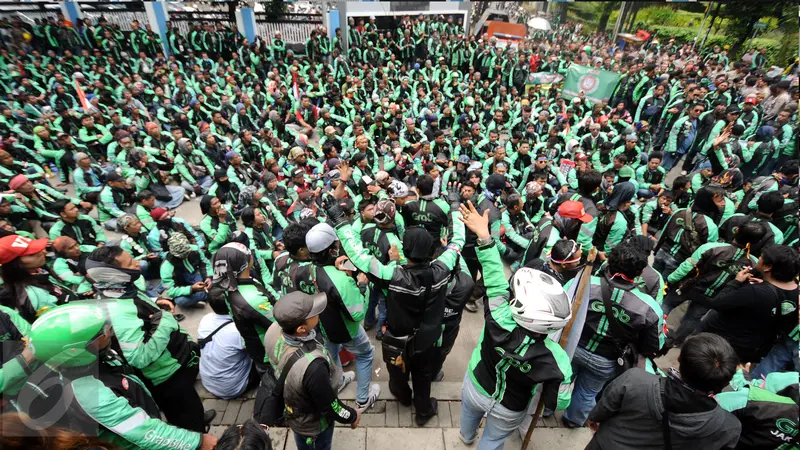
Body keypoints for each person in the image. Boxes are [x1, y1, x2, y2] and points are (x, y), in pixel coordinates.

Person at [324, 195, 465, 425]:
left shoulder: (391, 275)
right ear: (432, 251)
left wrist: (340, 221)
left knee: (397, 374)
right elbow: (457, 242)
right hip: (428, 339)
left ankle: (402, 397)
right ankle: (423, 411)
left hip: (397, 340)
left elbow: (359, 256)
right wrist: (456, 209)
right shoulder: (443, 267)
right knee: (423, 376)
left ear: (403, 251)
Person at [457, 201, 573, 449]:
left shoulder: (499, 316)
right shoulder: (559, 361)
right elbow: (559, 402)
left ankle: (466, 438)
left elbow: (495, 279)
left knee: (468, 418)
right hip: (510, 407)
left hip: (477, 385)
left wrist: (485, 237)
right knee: (493, 440)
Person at [25, 303, 218, 450]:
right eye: (102, 332)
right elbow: (144, 432)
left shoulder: (94, 359)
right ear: (77, 351)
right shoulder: (91, 393)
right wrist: (197, 442)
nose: (110, 331)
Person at [85, 246, 214, 433]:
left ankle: (198, 418)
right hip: (164, 376)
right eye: (130, 263)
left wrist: (154, 303)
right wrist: (166, 321)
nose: (137, 263)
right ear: (114, 274)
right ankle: (197, 434)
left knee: (191, 401)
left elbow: (137, 303)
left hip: (173, 362)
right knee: (183, 412)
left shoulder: (120, 289)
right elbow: (138, 356)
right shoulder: (119, 310)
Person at [562, 242, 665, 427]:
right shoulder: (650, 307)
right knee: (587, 393)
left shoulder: (583, 283)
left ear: (608, 262)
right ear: (640, 273)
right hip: (606, 359)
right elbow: (653, 345)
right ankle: (573, 420)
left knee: (559, 379)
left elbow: (560, 311)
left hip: (572, 347)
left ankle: (546, 407)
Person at [585, 333, 741, 450]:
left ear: (679, 358)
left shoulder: (635, 380)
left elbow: (603, 409)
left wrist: (594, 419)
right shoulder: (728, 427)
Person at [264, 291, 360, 450]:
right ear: (301, 328)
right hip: (314, 423)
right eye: (313, 314)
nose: (318, 313)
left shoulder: (273, 331)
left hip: (295, 413)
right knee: (322, 444)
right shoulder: (313, 368)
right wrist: (352, 416)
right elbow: (331, 407)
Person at [305, 222, 380, 411]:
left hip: (323, 325)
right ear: (331, 250)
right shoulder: (340, 281)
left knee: (332, 354)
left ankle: (337, 383)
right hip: (346, 328)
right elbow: (357, 313)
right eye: (335, 245)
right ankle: (363, 400)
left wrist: (340, 269)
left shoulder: (310, 269)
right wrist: (362, 285)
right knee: (365, 354)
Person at [699, 245, 800, 366]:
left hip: (719, 341)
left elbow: (718, 302)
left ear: (768, 267)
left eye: (762, 257)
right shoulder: (795, 293)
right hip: (747, 348)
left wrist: (735, 282)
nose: (759, 258)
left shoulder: (754, 292)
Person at [0, 234, 76, 323]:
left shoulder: (39, 272)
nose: (43, 252)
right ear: (15, 265)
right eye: (32, 254)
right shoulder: (34, 295)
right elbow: (61, 323)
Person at [198, 291, 258, 400]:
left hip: (209, 383)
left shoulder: (205, 319)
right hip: (233, 388)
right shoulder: (237, 330)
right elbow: (258, 350)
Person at [160, 232, 211, 309]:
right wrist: (191, 289)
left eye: (187, 254)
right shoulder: (166, 267)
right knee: (180, 301)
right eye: (182, 256)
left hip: (197, 275)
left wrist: (208, 277)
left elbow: (205, 263)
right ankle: (206, 294)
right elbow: (170, 290)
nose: (185, 257)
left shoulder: (195, 249)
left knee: (217, 279)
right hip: (184, 286)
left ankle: (201, 296)